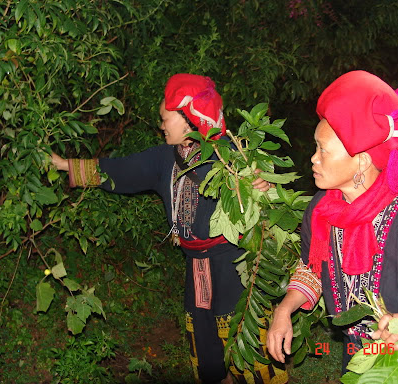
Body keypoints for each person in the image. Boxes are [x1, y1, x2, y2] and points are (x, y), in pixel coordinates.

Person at [51, 74, 288, 384]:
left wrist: (263, 184)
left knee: (243, 343)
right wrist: (63, 164)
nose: (161, 126)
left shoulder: (233, 156)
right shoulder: (164, 160)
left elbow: (273, 195)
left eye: (165, 119)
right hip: (196, 268)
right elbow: (117, 170)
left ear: (188, 120)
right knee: (207, 350)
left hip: (235, 267)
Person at [265, 70, 398, 373]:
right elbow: (313, 267)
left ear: (361, 160)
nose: (313, 158)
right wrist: (285, 309)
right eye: (315, 147)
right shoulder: (322, 210)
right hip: (356, 355)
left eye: (323, 150)